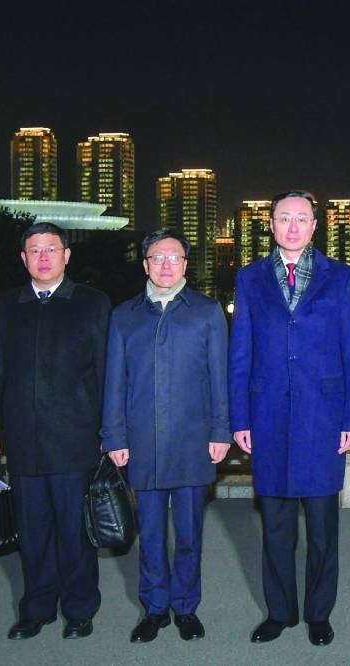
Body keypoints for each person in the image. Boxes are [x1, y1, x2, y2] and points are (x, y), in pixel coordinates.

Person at [229, 190, 350, 646]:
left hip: (323, 416)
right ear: (270, 225)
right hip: (266, 414)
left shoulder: (342, 278)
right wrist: (239, 416)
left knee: (323, 528)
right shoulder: (249, 279)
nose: (292, 226)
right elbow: (240, 352)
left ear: (314, 226)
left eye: (301, 219)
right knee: (276, 525)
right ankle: (280, 611)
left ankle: (318, 613)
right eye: (283, 218)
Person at [0, 222, 111, 640]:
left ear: (67, 256)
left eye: (52, 249)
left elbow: (106, 372)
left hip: (75, 439)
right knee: (32, 534)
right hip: (23, 439)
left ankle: (79, 609)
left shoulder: (92, 303)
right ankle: (36, 609)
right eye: (35, 250)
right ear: (23, 258)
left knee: (75, 532)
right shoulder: (5, 305)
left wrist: (111, 431)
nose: (44, 257)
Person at [102, 229, 231, 643]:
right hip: (142, 442)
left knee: (190, 533)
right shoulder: (124, 315)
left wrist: (221, 430)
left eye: (174, 258)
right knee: (151, 533)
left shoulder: (207, 312)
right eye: (157, 258)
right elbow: (114, 385)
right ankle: (154, 608)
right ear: (144, 264)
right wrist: (115, 436)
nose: (165, 265)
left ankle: (186, 607)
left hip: (194, 441)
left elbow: (219, 378)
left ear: (186, 265)